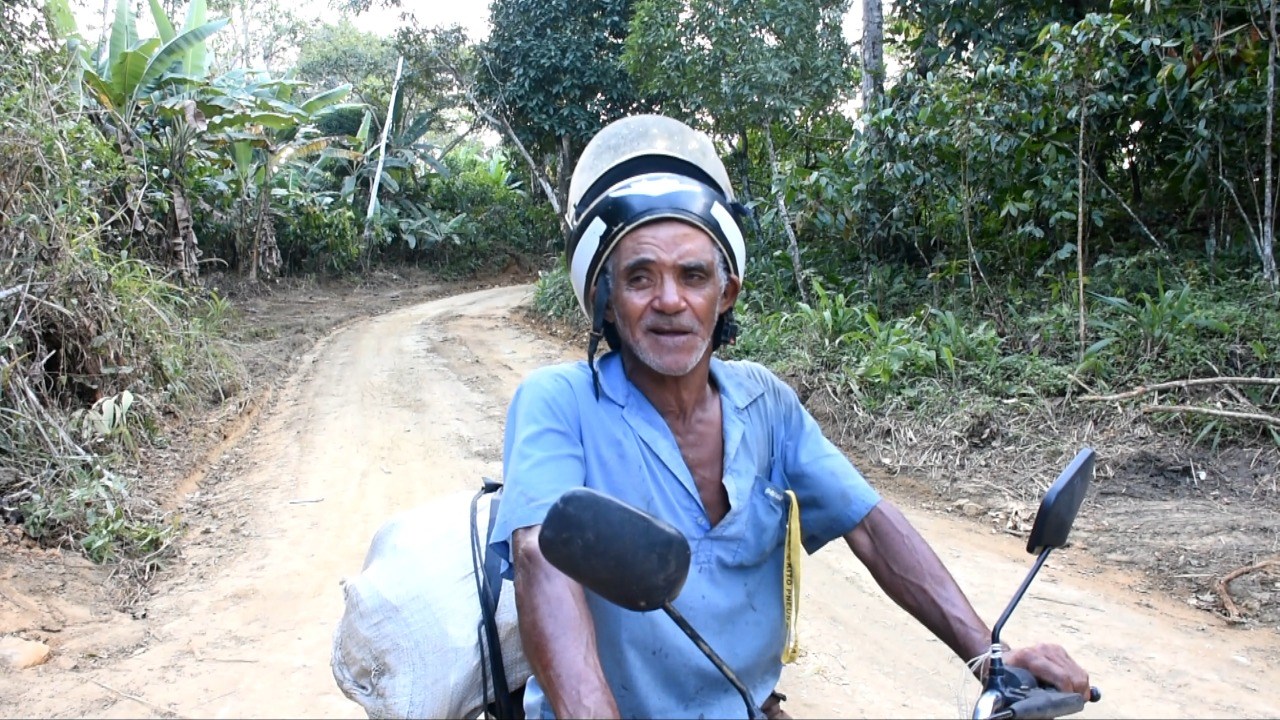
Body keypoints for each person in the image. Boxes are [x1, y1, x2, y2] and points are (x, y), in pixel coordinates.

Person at [488, 115, 1090, 719]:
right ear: (607, 301)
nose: (669, 300)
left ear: (725, 295)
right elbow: (543, 556)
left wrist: (988, 656)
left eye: (693, 275)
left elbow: (873, 528)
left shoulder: (767, 403)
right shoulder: (558, 402)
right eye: (639, 277)